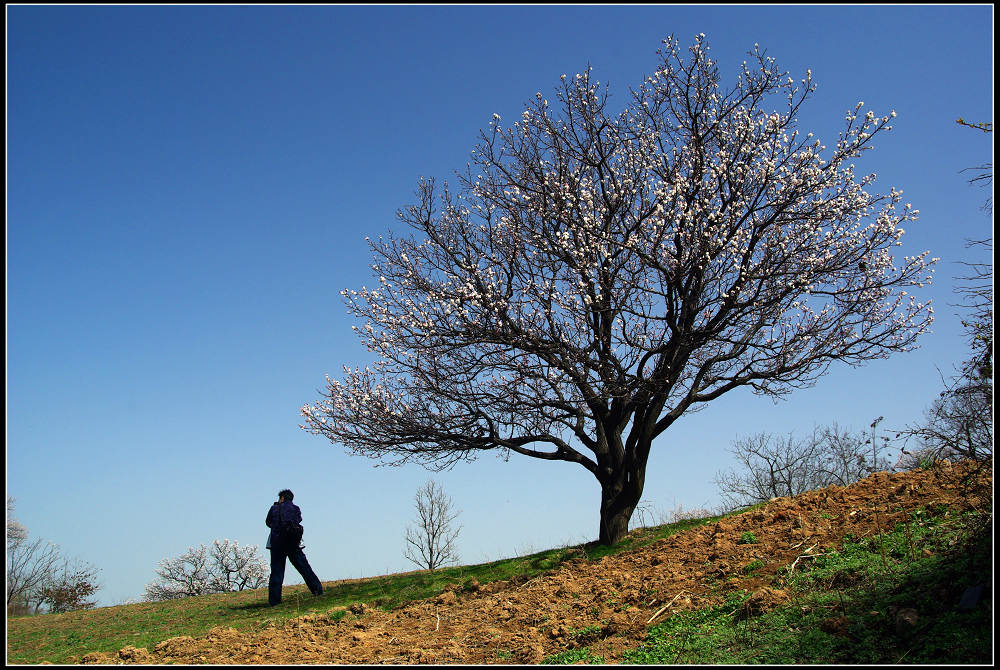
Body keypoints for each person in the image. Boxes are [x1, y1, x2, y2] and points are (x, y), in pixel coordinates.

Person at [265, 489, 323, 606]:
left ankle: (275, 601)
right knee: (304, 568)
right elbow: (299, 519)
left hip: (277, 544)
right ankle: (317, 590)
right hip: (293, 543)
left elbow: (268, 522)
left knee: (277, 572)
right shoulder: (296, 508)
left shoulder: (274, 508)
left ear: (281, 498)